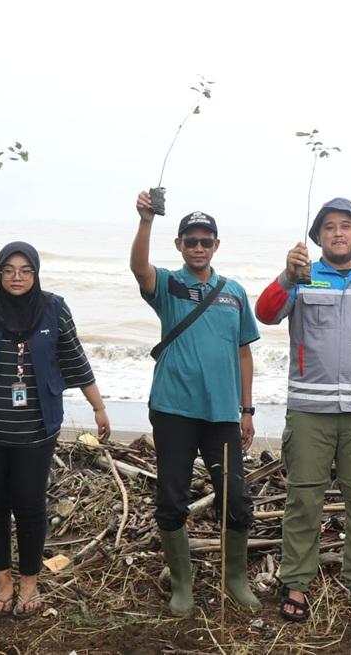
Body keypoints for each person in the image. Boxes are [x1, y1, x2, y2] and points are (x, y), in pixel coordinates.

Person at [255, 197, 351, 621]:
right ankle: (296, 581)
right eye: (329, 227)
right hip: (309, 411)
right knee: (304, 500)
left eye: (346, 226)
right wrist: (287, 276)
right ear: (318, 237)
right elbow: (265, 314)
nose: (338, 233)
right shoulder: (301, 278)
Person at [0, 241, 109, 617]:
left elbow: (75, 356)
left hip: (37, 430)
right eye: (8, 270)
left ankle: (29, 583)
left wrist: (98, 406)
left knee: (30, 506)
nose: (16, 277)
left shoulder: (54, 308)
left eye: (25, 270)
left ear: (36, 274)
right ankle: (3, 581)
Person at [130, 193, 261, 616]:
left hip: (222, 415)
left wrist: (247, 410)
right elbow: (138, 268)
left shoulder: (234, 292)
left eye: (206, 241)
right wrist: (146, 221)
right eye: (192, 241)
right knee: (171, 499)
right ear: (180, 245)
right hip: (173, 410)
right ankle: (182, 587)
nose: (199, 247)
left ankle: (234, 579)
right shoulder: (169, 284)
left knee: (236, 499)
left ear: (216, 246)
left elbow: (244, 353)